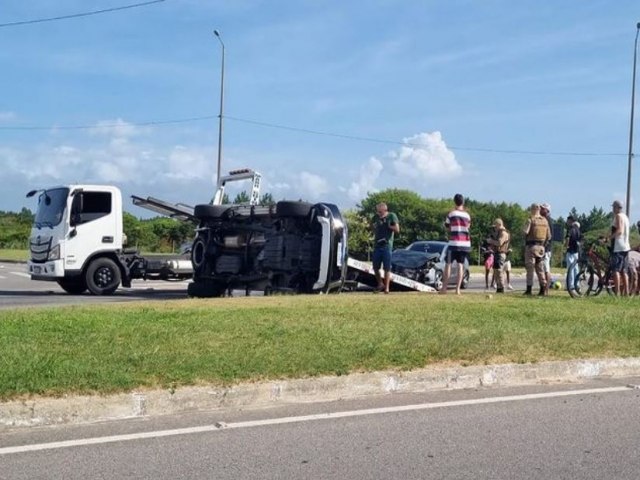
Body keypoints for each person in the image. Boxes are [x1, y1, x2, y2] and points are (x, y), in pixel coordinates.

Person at [441, 193, 471, 295]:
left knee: (448, 264)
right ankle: (457, 290)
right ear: (463, 202)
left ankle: (444, 288)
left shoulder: (451, 214)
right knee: (460, 265)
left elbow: (447, 226)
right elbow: (468, 226)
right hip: (465, 243)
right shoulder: (467, 215)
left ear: (455, 202)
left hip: (454, 242)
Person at [523, 203, 551, 295]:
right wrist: (543, 245)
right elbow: (549, 236)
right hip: (541, 248)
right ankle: (543, 288)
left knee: (530, 269)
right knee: (540, 269)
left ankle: (529, 289)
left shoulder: (531, 220)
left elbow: (525, 232)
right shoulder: (545, 221)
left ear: (532, 209)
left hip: (531, 247)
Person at [371, 202, 400, 294]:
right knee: (375, 267)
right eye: (377, 212)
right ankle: (380, 283)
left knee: (387, 268)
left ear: (384, 210)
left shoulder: (391, 216)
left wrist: (389, 226)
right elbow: (371, 226)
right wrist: (375, 228)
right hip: (377, 245)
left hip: (387, 245)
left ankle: (387, 288)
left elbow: (397, 229)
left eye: (380, 212)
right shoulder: (375, 218)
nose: (378, 213)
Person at [610, 200, 630, 296]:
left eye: (614, 207)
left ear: (617, 208)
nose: (613, 209)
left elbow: (620, 231)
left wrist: (609, 238)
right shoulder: (626, 217)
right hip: (626, 246)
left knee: (616, 270)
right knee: (624, 271)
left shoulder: (618, 216)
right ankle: (626, 292)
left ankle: (617, 293)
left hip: (618, 246)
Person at [486, 218, 510, 293]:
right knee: (496, 271)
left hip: (501, 253)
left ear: (499, 225)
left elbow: (499, 243)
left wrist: (491, 241)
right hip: (496, 253)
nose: (494, 228)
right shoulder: (499, 233)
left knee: (499, 270)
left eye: (495, 227)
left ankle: (501, 287)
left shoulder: (503, 233)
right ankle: (499, 286)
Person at [564, 216, 582, 298]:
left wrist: (566, 246)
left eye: (567, 220)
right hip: (576, 252)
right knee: (576, 269)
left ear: (571, 221)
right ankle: (577, 285)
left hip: (570, 251)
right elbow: (581, 239)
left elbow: (568, 238)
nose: (567, 222)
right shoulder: (578, 230)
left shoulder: (571, 229)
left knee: (570, 269)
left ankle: (570, 286)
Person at [539, 203, 553, 295]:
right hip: (544, 247)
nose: (540, 210)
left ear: (547, 211)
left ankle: (545, 290)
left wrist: (544, 246)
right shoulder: (545, 219)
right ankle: (543, 289)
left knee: (546, 268)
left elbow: (549, 236)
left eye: (542, 209)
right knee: (543, 269)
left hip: (546, 248)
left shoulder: (548, 220)